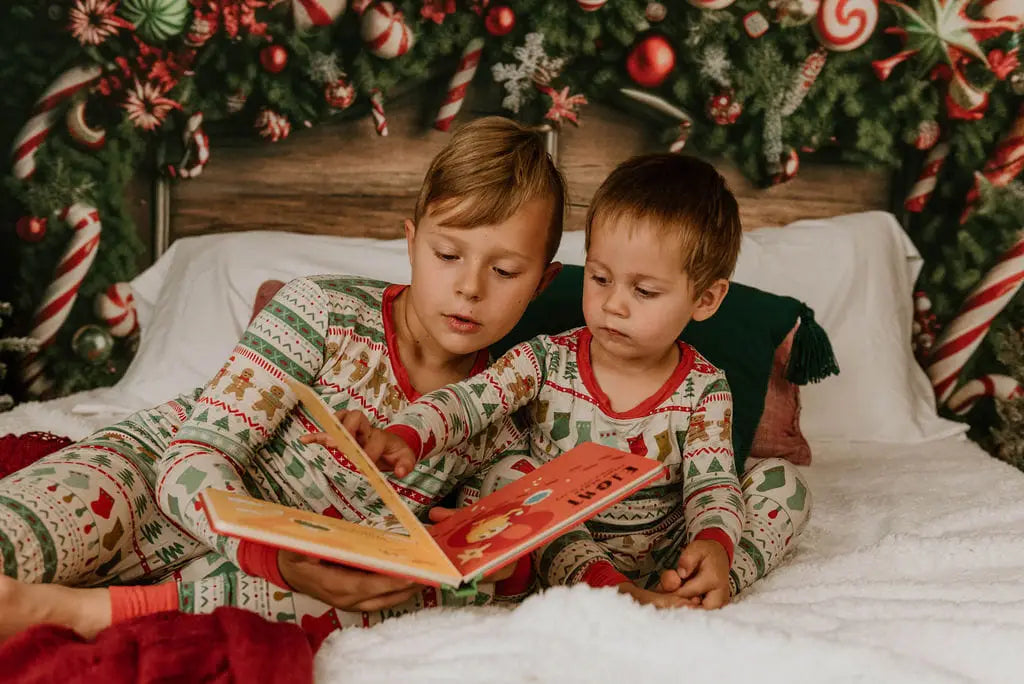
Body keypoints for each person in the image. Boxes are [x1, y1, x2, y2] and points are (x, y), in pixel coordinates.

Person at [0, 116, 566, 643]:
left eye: (505, 271)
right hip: (149, 482)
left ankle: (92, 613)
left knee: (393, 596)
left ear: (542, 282)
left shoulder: (497, 417)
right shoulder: (319, 309)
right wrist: (268, 551)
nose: (470, 287)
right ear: (412, 242)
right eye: (448, 254)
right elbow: (188, 460)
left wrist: (502, 561)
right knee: (23, 537)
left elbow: (477, 566)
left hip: (274, 581)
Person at [331, 154, 813, 610]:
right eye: (600, 278)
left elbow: (711, 485)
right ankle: (609, 592)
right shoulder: (545, 360)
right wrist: (406, 433)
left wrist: (713, 541)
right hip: (559, 543)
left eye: (643, 291)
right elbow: (466, 403)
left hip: (668, 548)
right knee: (506, 474)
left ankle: (707, 583)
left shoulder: (705, 388)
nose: (614, 305)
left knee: (784, 484)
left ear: (705, 299)